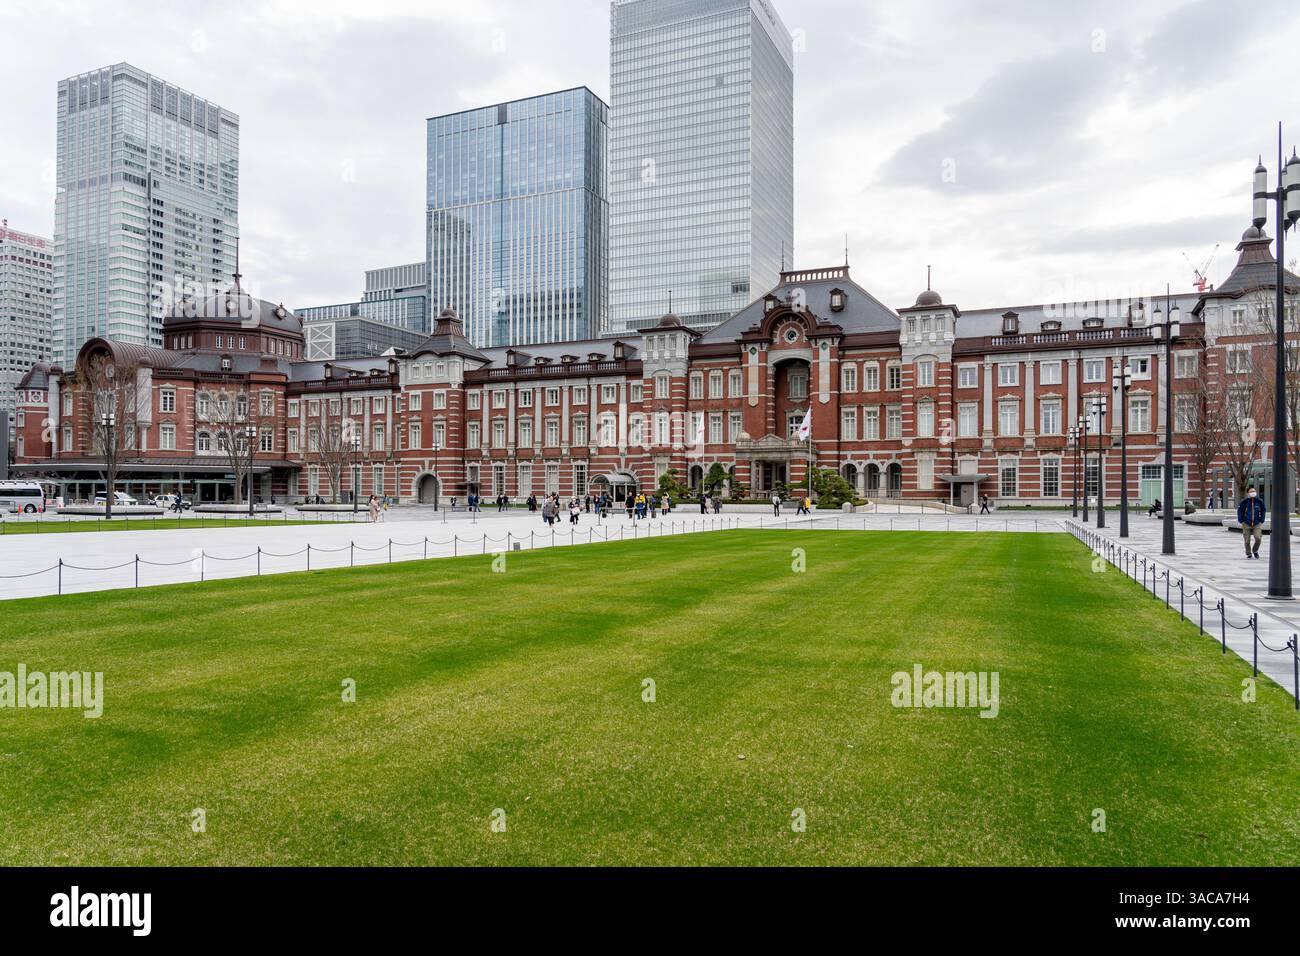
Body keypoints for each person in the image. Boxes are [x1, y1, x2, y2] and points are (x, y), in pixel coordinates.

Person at [1238, 485, 1266, 559]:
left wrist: (1262, 519)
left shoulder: (1259, 501)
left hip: (1257, 523)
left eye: (1254, 491)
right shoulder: (1244, 501)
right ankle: (1248, 553)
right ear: (1248, 493)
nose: (1253, 492)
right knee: (1247, 541)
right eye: (1251, 491)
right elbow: (1240, 511)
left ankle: (1255, 551)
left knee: (1258, 538)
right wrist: (1241, 520)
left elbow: (1263, 510)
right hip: (1246, 523)